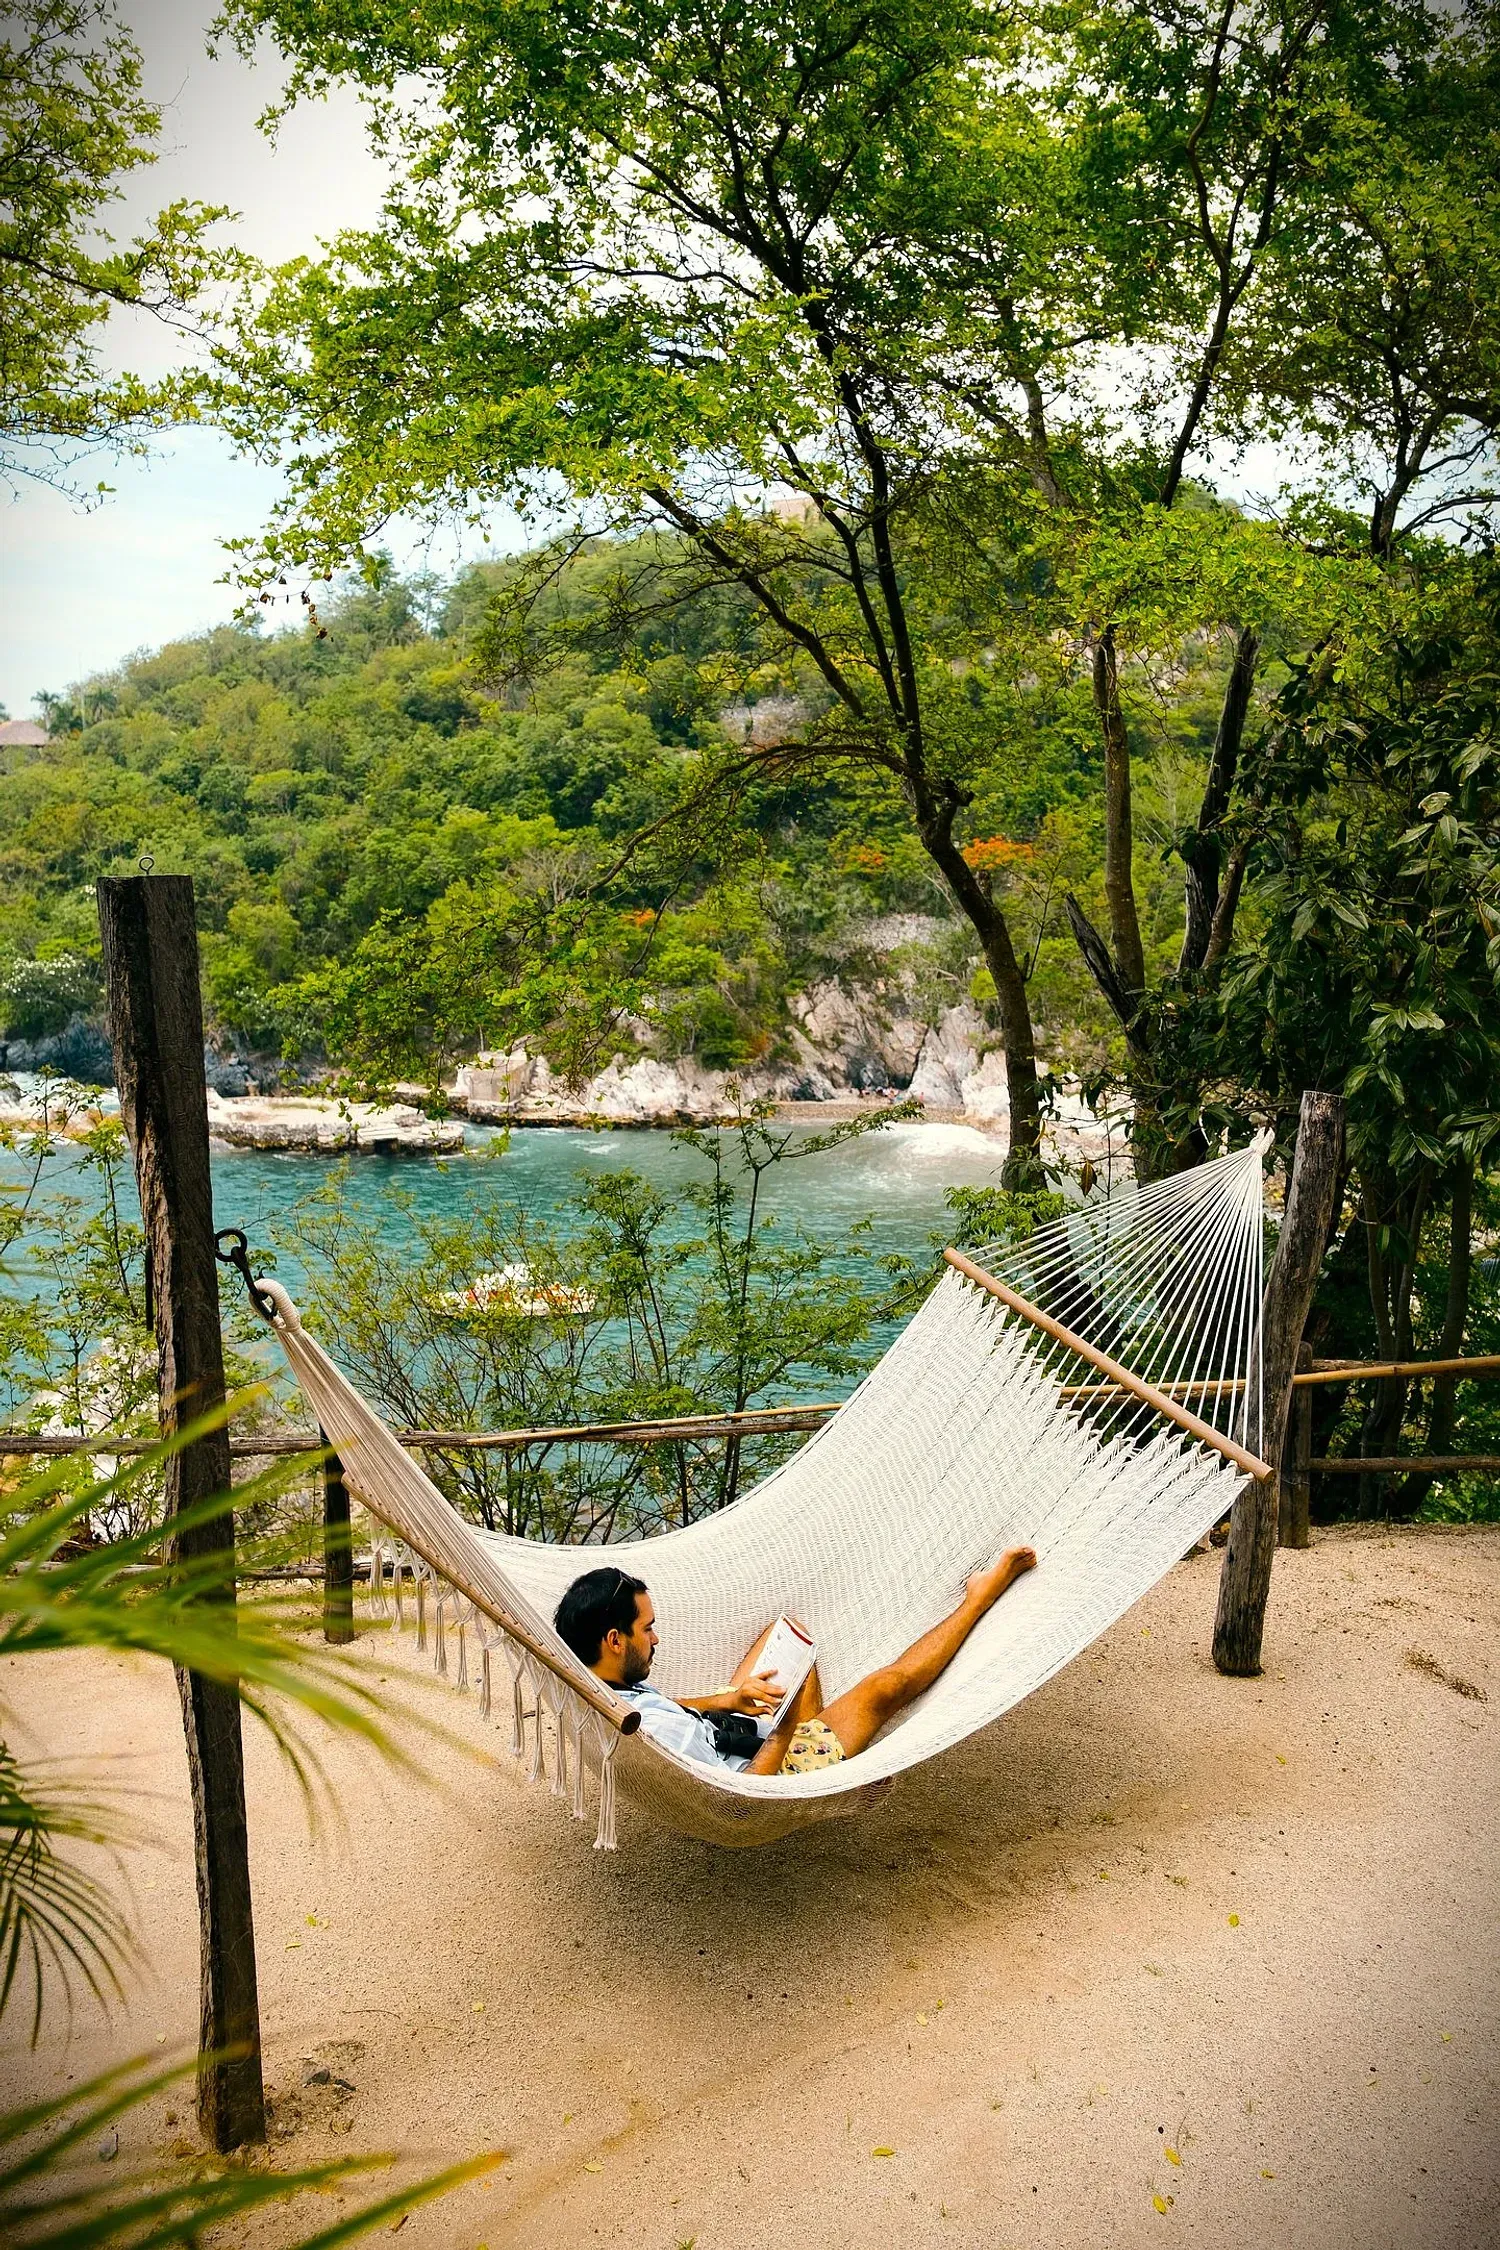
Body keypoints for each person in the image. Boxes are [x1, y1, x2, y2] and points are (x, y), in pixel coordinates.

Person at [553, 1548, 1037, 1778]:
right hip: (767, 1769)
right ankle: (979, 1599)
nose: (656, 1639)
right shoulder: (659, 1735)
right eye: (648, 1628)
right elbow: (737, 1805)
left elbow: (655, 1709)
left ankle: (806, 1719)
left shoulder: (602, 1689)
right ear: (615, 1640)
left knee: (786, 1632)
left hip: (731, 1730)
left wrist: (730, 1699)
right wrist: (784, 1733)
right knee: (885, 1686)